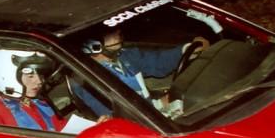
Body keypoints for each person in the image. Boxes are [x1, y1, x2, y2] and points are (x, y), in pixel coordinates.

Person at [76, 28, 208, 116]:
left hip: (151, 111)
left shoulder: (124, 56)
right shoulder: (88, 81)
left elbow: (157, 62)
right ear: (93, 44)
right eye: (110, 33)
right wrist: (159, 104)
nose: (118, 33)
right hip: (143, 123)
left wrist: (186, 50)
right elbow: (120, 117)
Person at [0, 49, 66, 131]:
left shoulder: (39, 103)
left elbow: (64, 131)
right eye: (30, 76)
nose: (39, 81)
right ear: (8, 76)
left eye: (40, 75)